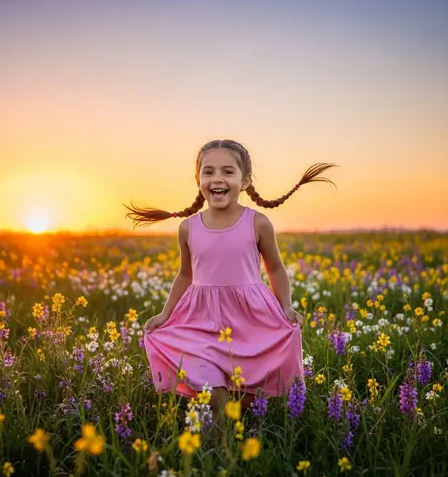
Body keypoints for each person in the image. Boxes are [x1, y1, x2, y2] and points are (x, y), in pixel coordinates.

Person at [125, 139, 336, 432]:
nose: (217, 179)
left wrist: (285, 306)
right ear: (198, 180)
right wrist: (165, 314)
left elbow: (274, 267)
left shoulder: (258, 222)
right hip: (201, 318)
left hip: (249, 316)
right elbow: (185, 275)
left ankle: (237, 443)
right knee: (213, 392)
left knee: (243, 395)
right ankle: (217, 452)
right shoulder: (188, 227)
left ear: (245, 180)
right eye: (208, 172)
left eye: (228, 171)